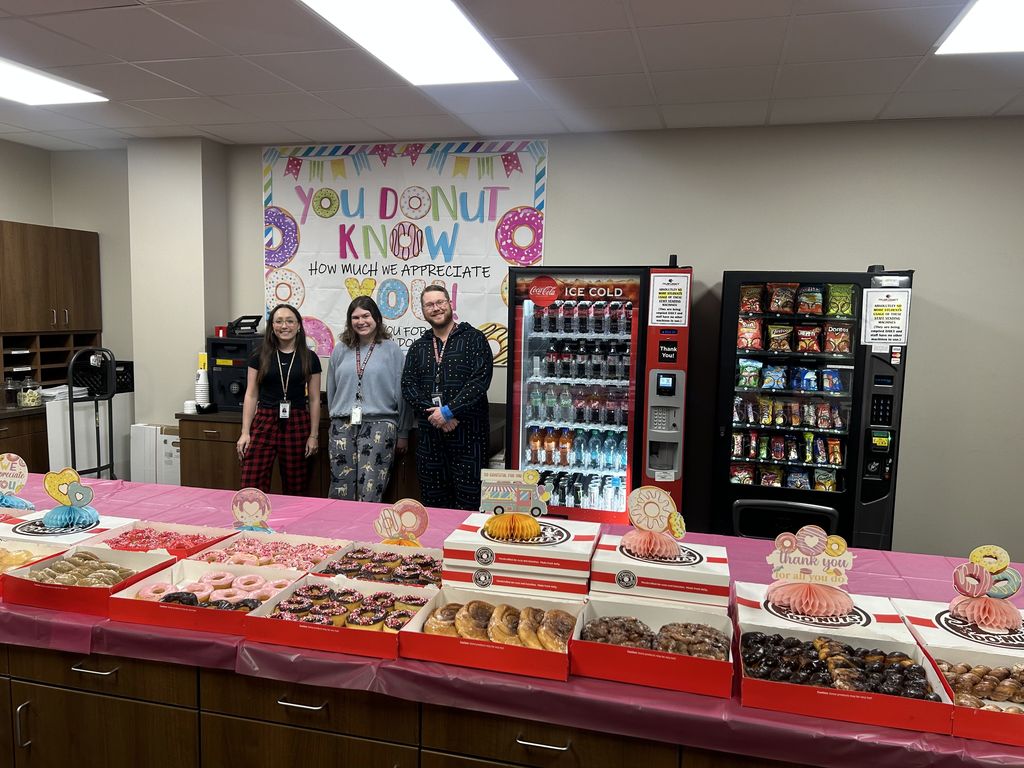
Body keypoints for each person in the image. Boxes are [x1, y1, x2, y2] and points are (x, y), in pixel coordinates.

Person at [402, 285, 493, 510]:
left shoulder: (474, 339)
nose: (436, 308)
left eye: (440, 302)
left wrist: (449, 411)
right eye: (429, 305)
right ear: (423, 311)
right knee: (434, 507)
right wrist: (437, 415)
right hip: (430, 442)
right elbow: (408, 386)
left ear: (450, 304)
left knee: (469, 505)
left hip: (469, 439)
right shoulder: (418, 347)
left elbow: (480, 381)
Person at [326, 296, 411, 502]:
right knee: (340, 487)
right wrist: (334, 417)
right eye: (355, 317)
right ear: (349, 321)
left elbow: (403, 392)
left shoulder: (392, 350)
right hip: (343, 424)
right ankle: (338, 532)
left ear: (377, 319)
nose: (361, 321)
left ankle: (364, 533)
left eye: (366, 315)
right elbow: (331, 388)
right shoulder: (340, 349)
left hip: (380, 425)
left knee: (370, 488)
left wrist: (403, 431)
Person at [237, 303, 321, 494]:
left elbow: (315, 399)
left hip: (297, 421)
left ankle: (293, 524)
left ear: (299, 325)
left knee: (296, 484)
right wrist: (245, 432)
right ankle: (252, 522)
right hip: (264, 420)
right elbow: (251, 394)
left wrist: (313, 435)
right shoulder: (259, 355)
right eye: (279, 321)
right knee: (251, 480)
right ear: (272, 326)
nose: (285, 326)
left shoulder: (310, 358)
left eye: (290, 321)